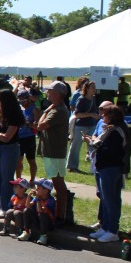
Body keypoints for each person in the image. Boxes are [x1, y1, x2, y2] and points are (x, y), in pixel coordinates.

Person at [83, 105, 127, 243]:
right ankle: (105, 227)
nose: (102, 116)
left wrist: (92, 143)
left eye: (105, 114)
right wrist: (92, 142)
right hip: (103, 167)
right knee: (105, 199)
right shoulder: (108, 130)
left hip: (111, 168)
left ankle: (112, 231)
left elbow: (110, 150)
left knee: (111, 200)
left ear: (111, 116)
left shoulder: (116, 132)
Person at [36, 81, 71, 222]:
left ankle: (61, 215)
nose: (47, 93)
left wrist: (45, 111)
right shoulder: (56, 108)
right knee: (57, 183)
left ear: (57, 94)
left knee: (58, 184)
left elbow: (40, 126)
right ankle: (59, 213)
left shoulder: (58, 110)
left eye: (49, 91)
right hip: (53, 152)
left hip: (55, 153)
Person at [0, 89, 25, 216]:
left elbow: (7, 137)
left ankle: (5, 207)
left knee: (6, 178)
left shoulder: (14, 115)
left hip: (9, 149)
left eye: (0, 97)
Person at [68, 80, 99, 172]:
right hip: (80, 126)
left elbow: (94, 110)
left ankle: (96, 167)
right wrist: (91, 114)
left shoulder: (93, 98)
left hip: (91, 125)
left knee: (93, 146)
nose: (95, 89)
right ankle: (72, 167)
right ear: (87, 88)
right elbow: (77, 114)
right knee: (76, 146)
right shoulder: (81, 99)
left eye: (95, 87)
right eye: (93, 87)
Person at [18, 179, 56, 245]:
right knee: (26, 210)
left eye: (38, 188)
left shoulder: (51, 200)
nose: (36, 189)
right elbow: (27, 206)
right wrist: (29, 195)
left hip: (48, 224)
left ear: (46, 191)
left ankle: (43, 236)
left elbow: (40, 210)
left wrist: (38, 199)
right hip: (38, 222)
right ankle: (26, 232)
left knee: (42, 214)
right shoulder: (38, 197)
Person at [15, 90, 38, 184]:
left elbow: (37, 126)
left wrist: (27, 124)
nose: (22, 103)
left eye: (23, 100)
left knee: (31, 160)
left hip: (29, 137)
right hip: (19, 137)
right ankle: (18, 179)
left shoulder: (34, 109)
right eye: (20, 101)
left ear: (28, 99)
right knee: (18, 160)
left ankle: (32, 180)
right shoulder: (19, 108)